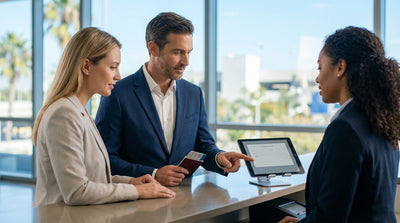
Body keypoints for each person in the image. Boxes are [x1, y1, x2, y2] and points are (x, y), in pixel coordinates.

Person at [95, 12, 253, 187]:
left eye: (188, 53)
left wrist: (218, 157)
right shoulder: (118, 94)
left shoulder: (194, 94)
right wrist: (153, 174)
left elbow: (203, 145)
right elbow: (105, 158)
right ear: (153, 48)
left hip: (185, 201)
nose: (186, 61)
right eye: (178, 52)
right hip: (135, 200)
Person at [32, 27, 175, 207]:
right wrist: (138, 192)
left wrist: (130, 182)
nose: (118, 75)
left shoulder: (78, 110)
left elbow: (94, 177)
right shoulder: (64, 114)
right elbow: (77, 192)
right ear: (86, 66)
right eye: (112, 67)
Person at [279, 26, 400, 223]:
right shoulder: (381, 119)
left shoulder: (345, 128)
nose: (317, 78)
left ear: (340, 67)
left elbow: (330, 218)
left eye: (320, 67)